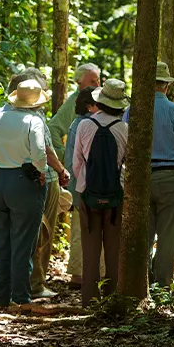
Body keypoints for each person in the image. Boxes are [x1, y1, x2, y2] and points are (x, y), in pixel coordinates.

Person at [0, 69, 69, 300]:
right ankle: (20, 296)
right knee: (24, 243)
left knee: (1, 242)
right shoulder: (33, 121)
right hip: (24, 183)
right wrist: (40, 172)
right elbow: (40, 154)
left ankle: (0, 296)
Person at [123, 62, 174, 286]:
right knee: (168, 233)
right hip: (171, 175)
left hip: (142, 177)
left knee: (144, 232)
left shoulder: (133, 109)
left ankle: (141, 282)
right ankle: (163, 283)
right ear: (165, 86)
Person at [72, 79, 129, 307]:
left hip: (88, 196)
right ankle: (112, 299)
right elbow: (128, 165)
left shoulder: (85, 125)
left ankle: (90, 302)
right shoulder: (125, 129)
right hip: (116, 197)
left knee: (91, 252)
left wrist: (85, 183)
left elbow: (77, 162)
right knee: (114, 252)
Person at [64, 87, 105, 287]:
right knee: (98, 229)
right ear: (90, 105)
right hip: (93, 186)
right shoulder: (92, 124)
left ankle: (78, 273)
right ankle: (98, 273)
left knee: (80, 230)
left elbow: (70, 159)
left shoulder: (76, 124)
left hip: (81, 185)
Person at [49, 63, 102, 162]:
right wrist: (65, 156)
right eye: (92, 81)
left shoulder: (102, 98)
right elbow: (52, 129)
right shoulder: (73, 102)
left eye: (98, 80)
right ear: (79, 82)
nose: (97, 85)